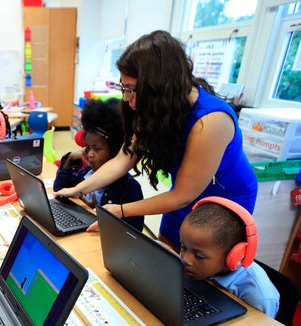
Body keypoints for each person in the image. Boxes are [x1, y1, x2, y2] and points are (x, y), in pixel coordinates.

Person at [54, 30, 258, 249]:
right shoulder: (157, 109)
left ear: (159, 86)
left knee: (200, 272)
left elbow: (182, 195)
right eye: (124, 88)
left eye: (131, 89)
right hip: (182, 196)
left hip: (222, 205)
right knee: (168, 261)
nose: (125, 97)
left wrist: (121, 210)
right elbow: (122, 160)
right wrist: (79, 188)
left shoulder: (211, 122)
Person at [52, 99, 145, 232]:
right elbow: (59, 190)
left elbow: (134, 232)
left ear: (114, 149)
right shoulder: (87, 174)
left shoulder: (130, 188)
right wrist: (70, 159)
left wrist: (97, 213)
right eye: (87, 148)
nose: (90, 154)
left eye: (96, 148)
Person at [179, 197, 279, 318]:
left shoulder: (260, 297)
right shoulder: (200, 267)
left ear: (233, 256)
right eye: (183, 247)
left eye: (199, 256)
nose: (185, 259)